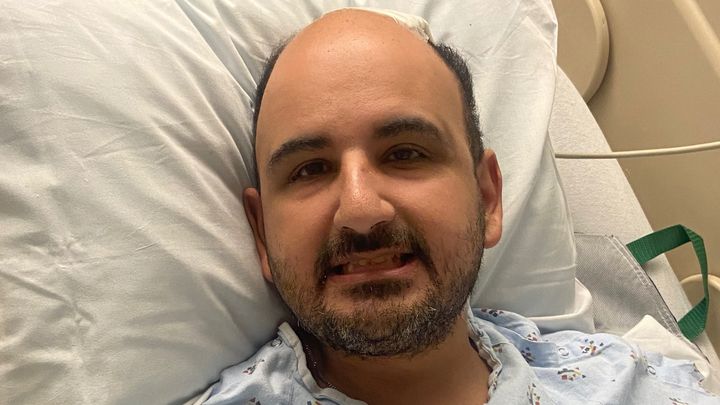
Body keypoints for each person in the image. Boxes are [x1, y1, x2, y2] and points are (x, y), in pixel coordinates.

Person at [198, 8, 717, 405]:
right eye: (310, 169)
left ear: (488, 198)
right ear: (262, 234)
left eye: (405, 153)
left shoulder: (629, 382)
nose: (360, 209)